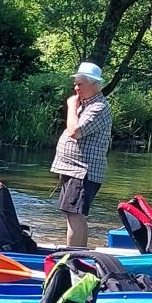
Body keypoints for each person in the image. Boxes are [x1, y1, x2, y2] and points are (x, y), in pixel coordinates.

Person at [50, 62, 113, 248]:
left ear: (94, 84)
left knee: (75, 215)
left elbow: (75, 131)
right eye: (75, 83)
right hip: (75, 170)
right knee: (75, 214)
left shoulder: (98, 107)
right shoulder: (86, 104)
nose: (76, 87)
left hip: (83, 171)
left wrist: (70, 106)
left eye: (80, 83)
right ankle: (79, 253)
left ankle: (71, 257)